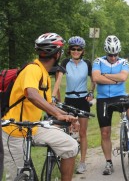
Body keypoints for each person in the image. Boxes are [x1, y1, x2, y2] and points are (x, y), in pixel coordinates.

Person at [1, 33, 78, 181]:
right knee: (19, 177)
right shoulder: (32, 69)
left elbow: (48, 104)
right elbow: (31, 93)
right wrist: (58, 115)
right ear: (58, 54)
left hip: (35, 127)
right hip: (14, 130)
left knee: (70, 146)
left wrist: (68, 115)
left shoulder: (44, 74)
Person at [92, 35, 129, 176]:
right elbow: (96, 78)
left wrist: (105, 75)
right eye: (110, 54)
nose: (113, 57)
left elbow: (123, 77)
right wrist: (114, 80)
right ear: (105, 52)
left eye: (115, 54)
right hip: (103, 99)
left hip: (121, 96)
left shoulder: (124, 62)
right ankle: (108, 162)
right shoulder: (98, 61)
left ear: (118, 52)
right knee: (105, 132)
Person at [52, 36, 95, 174]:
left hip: (83, 100)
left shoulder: (87, 63)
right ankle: (67, 159)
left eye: (79, 49)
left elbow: (93, 80)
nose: (76, 51)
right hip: (69, 100)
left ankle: (82, 162)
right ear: (69, 50)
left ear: (83, 51)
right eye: (73, 49)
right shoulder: (65, 62)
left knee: (82, 132)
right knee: (68, 132)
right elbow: (58, 80)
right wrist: (54, 96)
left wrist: (91, 92)